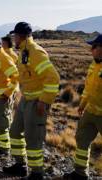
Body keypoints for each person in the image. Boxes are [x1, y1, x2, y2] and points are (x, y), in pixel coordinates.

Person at [3, 22, 60, 180]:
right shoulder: (23, 51)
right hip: (25, 99)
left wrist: (44, 101)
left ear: (21, 36)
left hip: (36, 102)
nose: (13, 38)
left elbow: (53, 78)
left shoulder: (35, 52)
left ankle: (36, 173)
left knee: (33, 139)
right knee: (14, 132)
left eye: (15, 35)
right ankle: (20, 165)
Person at [63, 34, 102, 180]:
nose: (91, 49)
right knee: (82, 139)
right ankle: (80, 173)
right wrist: (82, 104)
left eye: (94, 46)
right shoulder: (94, 64)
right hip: (90, 111)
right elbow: (88, 88)